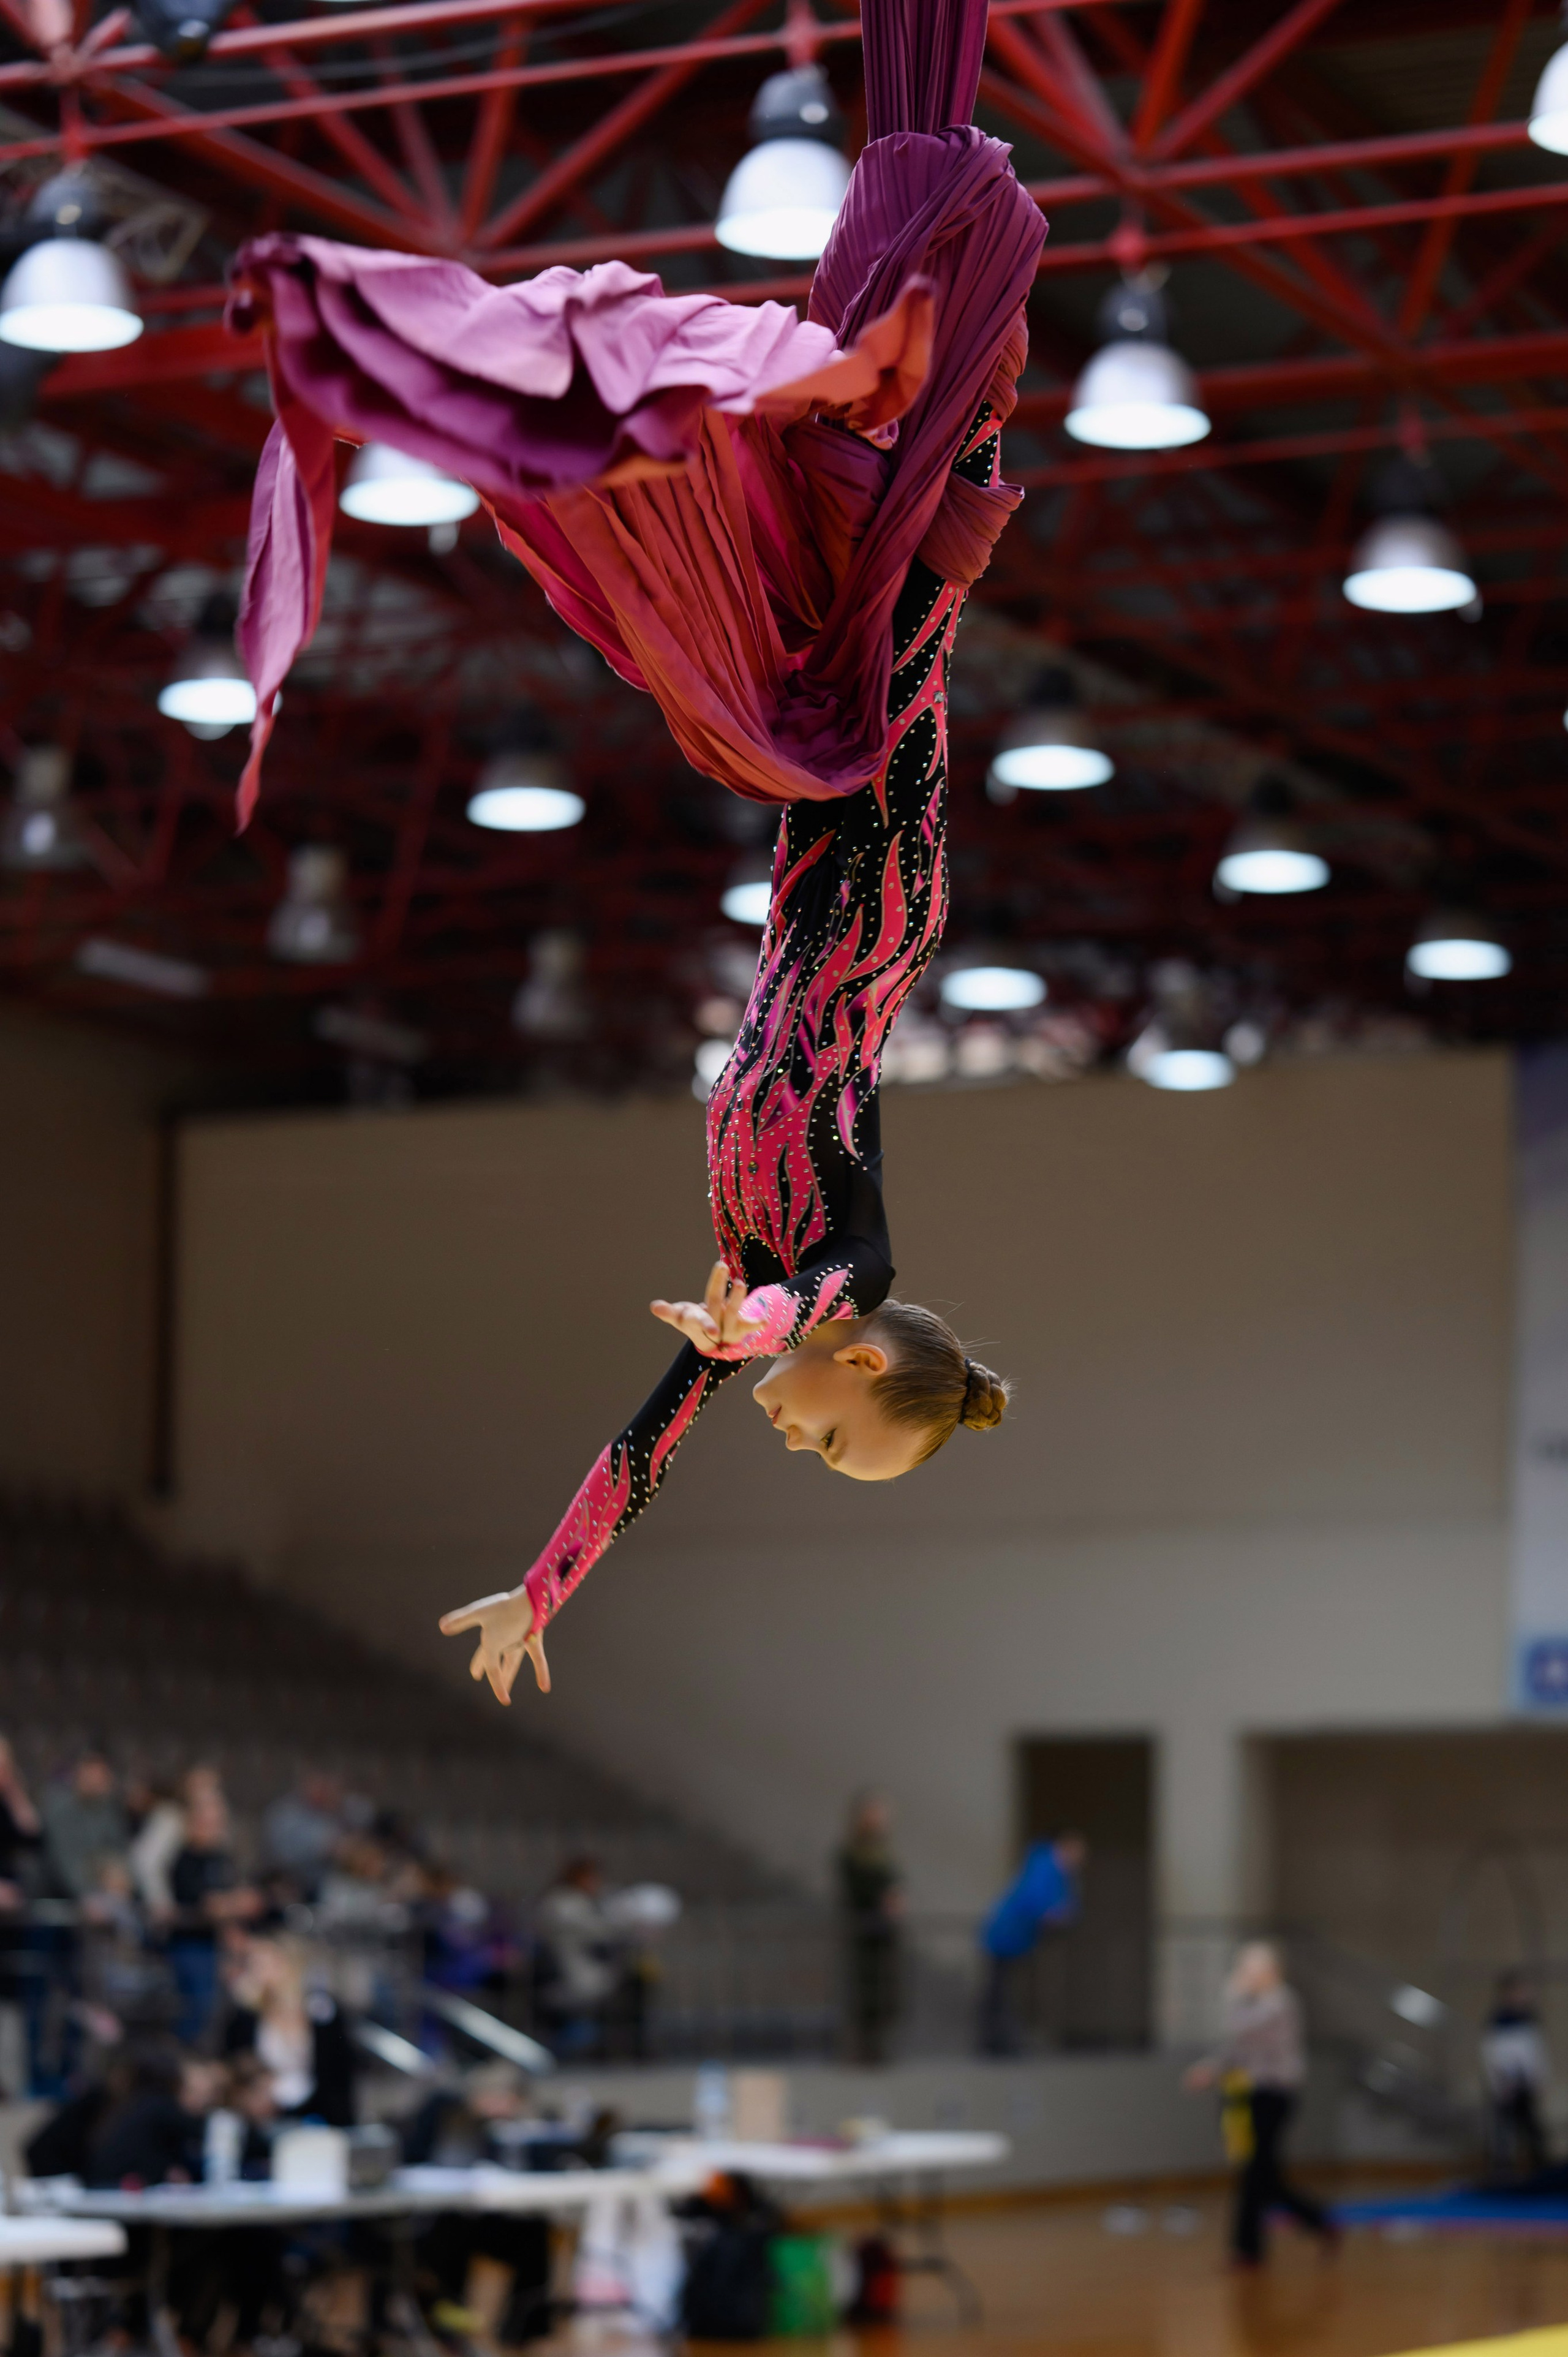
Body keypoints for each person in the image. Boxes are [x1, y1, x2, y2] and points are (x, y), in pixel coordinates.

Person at [227, 0, 1042, 1705]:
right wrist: (752, 1331)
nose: (796, 1448)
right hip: (877, 869)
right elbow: (823, 1288)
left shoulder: (762, 1280)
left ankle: (913, 416)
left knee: (838, 585)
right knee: (896, 586)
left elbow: (643, 1453)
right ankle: (948, 385)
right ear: (860, 1363)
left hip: (807, 837)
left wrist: (541, 1594)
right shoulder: (837, 1265)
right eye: (833, 1444)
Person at [1183, 1940, 1335, 2268]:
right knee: (1263, 2175)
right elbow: (1237, 2049)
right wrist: (1211, 2069)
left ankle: (1248, 2249)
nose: (1244, 1976)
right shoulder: (1254, 2004)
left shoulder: (1280, 2002)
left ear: (1270, 1972)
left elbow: (1240, 2030)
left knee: (1255, 2173)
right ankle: (1316, 2219)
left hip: (1274, 2096)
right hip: (1249, 2095)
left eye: (1249, 1969)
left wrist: (1232, 1995)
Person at [221, 1930, 357, 2126]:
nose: (260, 1971)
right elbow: (233, 2066)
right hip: (263, 2119)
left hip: (318, 2117)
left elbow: (339, 2073)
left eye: (267, 1963)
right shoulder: (245, 2017)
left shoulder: (322, 2011)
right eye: (254, 1964)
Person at [167, 1786, 262, 2046]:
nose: (215, 1829)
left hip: (222, 1945)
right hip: (192, 1944)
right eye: (208, 1823)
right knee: (198, 2010)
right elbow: (208, 1905)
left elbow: (245, 1900)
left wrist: (232, 1908)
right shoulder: (185, 1860)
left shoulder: (223, 1859)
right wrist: (232, 1904)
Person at [978, 1831, 1086, 2056]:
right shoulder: (1046, 1866)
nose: (1079, 1860)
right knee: (1000, 1991)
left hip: (1016, 1938)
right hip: (1006, 1936)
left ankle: (1001, 2041)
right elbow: (1038, 1901)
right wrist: (1054, 1914)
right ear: (1065, 1847)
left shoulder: (1054, 1870)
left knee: (1003, 1991)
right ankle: (997, 2043)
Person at [836, 1793, 903, 2066]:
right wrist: (884, 1899)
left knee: (886, 1995)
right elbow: (858, 1888)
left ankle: (879, 2049)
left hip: (884, 1935)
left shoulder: (884, 1852)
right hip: (865, 1933)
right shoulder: (851, 1853)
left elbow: (895, 1882)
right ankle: (864, 2051)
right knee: (866, 1994)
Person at [535, 1858, 617, 2059]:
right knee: (572, 2030)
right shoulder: (562, 1903)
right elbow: (599, 1930)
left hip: (586, 1978)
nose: (596, 1883)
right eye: (591, 1878)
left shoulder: (586, 1902)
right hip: (567, 1977)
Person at [1482, 1970, 1550, 2181]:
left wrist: (1539, 2079)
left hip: (1525, 2084)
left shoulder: (1530, 2019)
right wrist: (1499, 2083)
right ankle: (1503, 2171)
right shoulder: (1498, 2020)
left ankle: (1541, 2172)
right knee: (1504, 2129)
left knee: (1531, 2128)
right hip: (1506, 2084)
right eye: (1519, 1991)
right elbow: (1491, 2054)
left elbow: (1536, 2053)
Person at [41, 1748, 127, 1904]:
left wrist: (121, 1881)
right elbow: (65, 1864)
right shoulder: (61, 1810)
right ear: (79, 1776)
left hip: (108, 1891)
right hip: (67, 1896)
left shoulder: (109, 1810)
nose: (97, 1781)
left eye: (102, 1776)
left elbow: (119, 1851)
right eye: (91, 1775)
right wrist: (88, 1896)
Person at [263, 1771, 346, 1901]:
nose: (323, 1792)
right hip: (290, 1883)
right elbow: (281, 1855)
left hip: (323, 1887)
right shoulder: (286, 1815)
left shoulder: (330, 1815)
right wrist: (320, 1849)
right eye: (319, 1786)